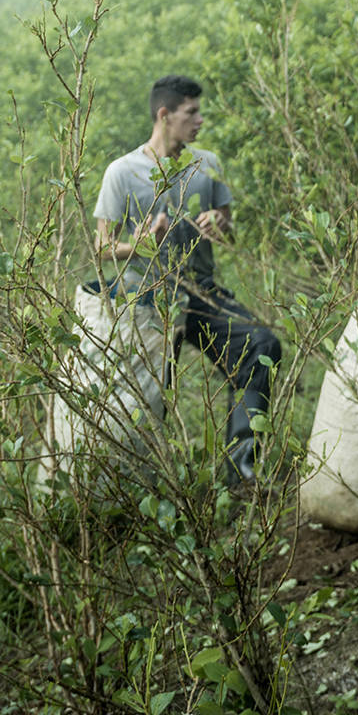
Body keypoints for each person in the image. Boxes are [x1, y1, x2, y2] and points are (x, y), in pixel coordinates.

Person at [93, 75, 282, 485]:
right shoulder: (122, 173)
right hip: (147, 302)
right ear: (165, 115)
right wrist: (139, 243)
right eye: (191, 112)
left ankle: (241, 472)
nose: (200, 120)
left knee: (261, 345)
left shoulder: (207, 164)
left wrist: (221, 221)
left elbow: (228, 225)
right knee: (149, 396)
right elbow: (103, 248)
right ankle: (147, 487)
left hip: (201, 293)